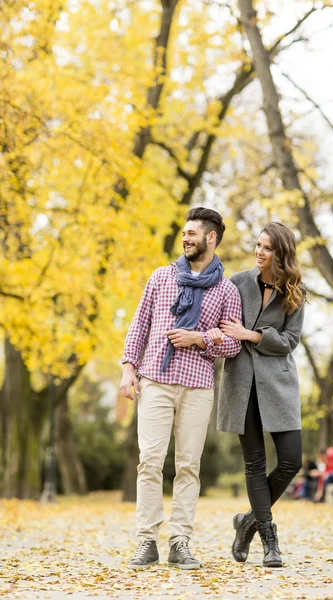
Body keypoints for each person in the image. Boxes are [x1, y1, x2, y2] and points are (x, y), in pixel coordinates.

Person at [120, 207, 242, 571]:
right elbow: (138, 326)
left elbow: (232, 345)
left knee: (188, 466)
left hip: (198, 387)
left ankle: (180, 541)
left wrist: (200, 338)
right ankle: (146, 540)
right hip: (155, 380)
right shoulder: (161, 278)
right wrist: (128, 370)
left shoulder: (227, 290)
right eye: (184, 233)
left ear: (211, 238)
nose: (185, 238)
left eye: (193, 233)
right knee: (150, 462)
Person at [214, 222, 306, 568]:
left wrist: (251, 335)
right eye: (258, 245)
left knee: (291, 460)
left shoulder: (295, 291)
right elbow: (223, 327)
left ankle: (248, 520)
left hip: (278, 385)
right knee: (254, 464)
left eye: (267, 248)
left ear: (280, 253)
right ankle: (268, 539)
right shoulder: (237, 282)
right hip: (241, 383)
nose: (259, 252)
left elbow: (290, 341)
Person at [313, 438, 333, 503]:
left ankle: (322, 496)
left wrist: (327, 473)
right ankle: (319, 495)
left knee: (328, 477)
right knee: (321, 478)